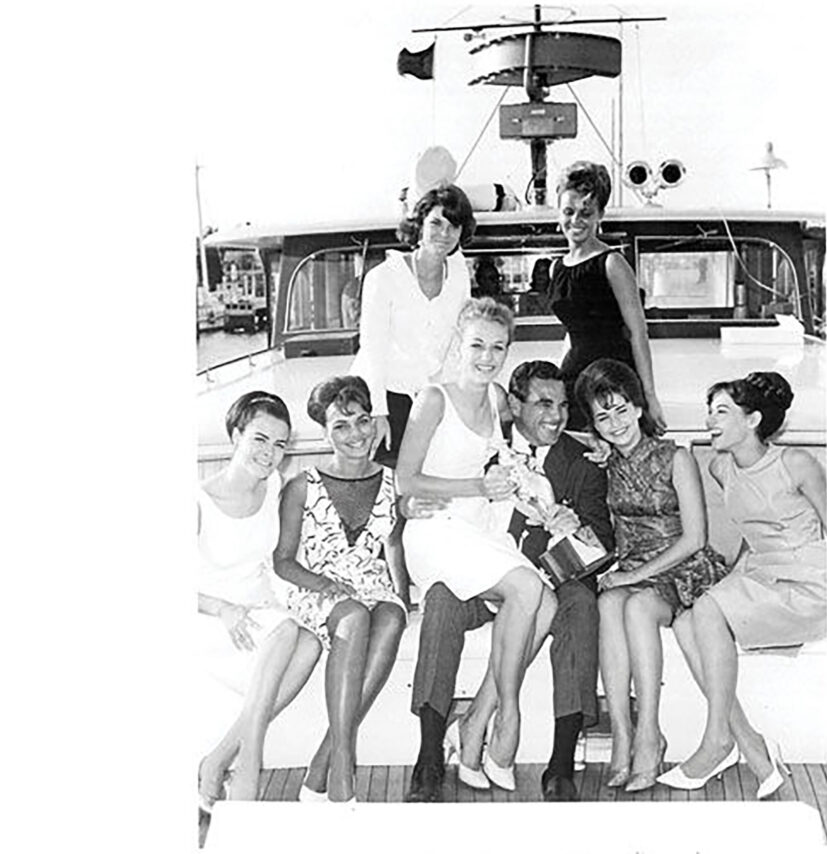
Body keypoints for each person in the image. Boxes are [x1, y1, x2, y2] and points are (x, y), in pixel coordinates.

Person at [405, 360, 615, 803]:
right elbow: (423, 481)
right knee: (441, 598)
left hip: (546, 583)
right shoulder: (485, 445)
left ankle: (558, 763)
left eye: (561, 406)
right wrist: (409, 507)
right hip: (481, 578)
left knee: (578, 601)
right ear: (514, 404)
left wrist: (573, 527)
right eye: (542, 403)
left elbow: (603, 544)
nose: (555, 417)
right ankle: (427, 755)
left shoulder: (583, 460)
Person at [398, 298, 559, 794]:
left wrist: (590, 439)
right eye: (477, 345)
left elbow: (534, 427)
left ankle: (477, 717)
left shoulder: (496, 399)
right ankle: (506, 711)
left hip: (478, 529)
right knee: (527, 588)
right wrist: (475, 487)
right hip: (435, 530)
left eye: (497, 347)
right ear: (458, 345)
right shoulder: (433, 399)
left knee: (546, 602)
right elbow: (406, 479)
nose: (487, 357)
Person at [658, 372, 826, 799]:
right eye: (708, 412)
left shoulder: (796, 464)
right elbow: (752, 539)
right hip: (763, 575)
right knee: (686, 622)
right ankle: (747, 743)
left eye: (721, 412)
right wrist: (726, 582)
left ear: (752, 420)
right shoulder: (720, 467)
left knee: (708, 611)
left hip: (810, 583)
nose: (709, 422)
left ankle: (717, 741)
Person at [575, 359, 730, 793]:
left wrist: (632, 576)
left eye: (622, 410)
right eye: (603, 417)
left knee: (637, 605)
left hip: (682, 568)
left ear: (639, 407)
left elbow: (696, 537)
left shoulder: (675, 457)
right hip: (632, 569)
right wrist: (595, 444)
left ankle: (649, 734)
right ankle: (622, 735)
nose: (615, 423)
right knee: (608, 603)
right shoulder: (605, 461)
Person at [273, 376, 408, 803]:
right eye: (341, 426)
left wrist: (403, 598)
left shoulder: (392, 482)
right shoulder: (302, 486)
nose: (356, 434)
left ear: (374, 421)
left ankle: (321, 766)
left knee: (390, 617)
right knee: (352, 614)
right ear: (324, 432)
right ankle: (343, 774)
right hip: (315, 585)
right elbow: (283, 560)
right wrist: (326, 585)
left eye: (362, 420)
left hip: (370, 583)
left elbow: (393, 545)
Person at [197, 392, 322, 812]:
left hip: (260, 611)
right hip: (213, 617)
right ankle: (248, 761)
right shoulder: (198, 501)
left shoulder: (274, 489)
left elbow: (281, 559)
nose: (270, 454)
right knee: (287, 630)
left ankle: (218, 758)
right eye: (260, 439)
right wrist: (222, 609)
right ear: (236, 435)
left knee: (311, 644)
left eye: (280, 445)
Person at [349, 183, 477, 466]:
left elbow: (459, 342)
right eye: (436, 223)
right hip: (385, 394)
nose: (444, 234)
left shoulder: (458, 273)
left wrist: (454, 404)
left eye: (454, 227)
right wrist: (378, 413)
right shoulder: (383, 277)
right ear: (419, 224)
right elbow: (373, 349)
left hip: (432, 398)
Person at [548, 161, 667, 433]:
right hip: (574, 378)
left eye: (585, 213)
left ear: (600, 215)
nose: (575, 220)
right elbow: (571, 331)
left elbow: (639, 332)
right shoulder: (558, 267)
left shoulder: (612, 263)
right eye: (568, 211)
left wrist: (649, 397)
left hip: (613, 379)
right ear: (559, 213)